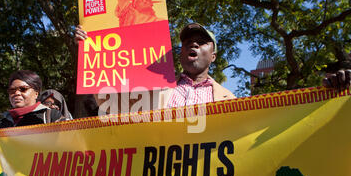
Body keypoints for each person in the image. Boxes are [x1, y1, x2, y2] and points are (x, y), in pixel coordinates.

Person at [75, 22, 236, 114]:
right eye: (187, 42)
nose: (193, 44)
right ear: (180, 53)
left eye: (201, 42)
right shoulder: (154, 89)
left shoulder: (229, 100)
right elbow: (108, 106)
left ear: (213, 56)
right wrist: (89, 50)